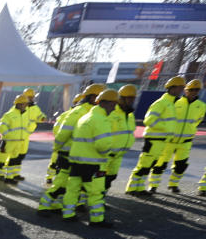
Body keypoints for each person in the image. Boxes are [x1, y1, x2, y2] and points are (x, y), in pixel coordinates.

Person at [63, 89, 118, 227]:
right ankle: (97, 219)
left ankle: (68, 214)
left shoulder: (85, 117)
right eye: (113, 104)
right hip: (93, 163)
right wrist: (108, 152)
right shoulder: (101, 120)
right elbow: (103, 145)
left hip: (77, 161)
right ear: (107, 103)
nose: (114, 108)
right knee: (95, 192)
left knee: (72, 189)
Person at [124, 76, 184, 196]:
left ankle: (139, 188)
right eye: (180, 87)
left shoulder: (170, 104)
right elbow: (149, 120)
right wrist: (166, 128)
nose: (182, 90)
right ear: (172, 88)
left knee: (149, 165)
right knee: (143, 165)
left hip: (161, 140)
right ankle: (131, 188)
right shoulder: (161, 103)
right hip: (153, 140)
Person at [156, 79, 203, 193]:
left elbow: (198, 121)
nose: (194, 92)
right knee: (160, 164)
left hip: (186, 141)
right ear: (185, 90)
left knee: (181, 166)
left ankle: (173, 184)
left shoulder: (201, 106)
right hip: (170, 140)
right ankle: (153, 185)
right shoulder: (175, 102)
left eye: (197, 90)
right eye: (191, 89)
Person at [104, 85, 137, 197]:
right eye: (129, 98)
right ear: (121, 99)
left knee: (111, 177)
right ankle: (86, 201)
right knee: (97, 179)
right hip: (106, 154)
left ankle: (100, 198)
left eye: (133, 98)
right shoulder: (112, 113)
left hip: (118, 155)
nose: (131, 101)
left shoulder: (130, 115)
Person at [0, 95, 29, 185]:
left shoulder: (25, 115)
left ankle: (9, 178)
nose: (26, 106)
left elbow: (25, 128)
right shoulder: (9, 115)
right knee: (1, 160)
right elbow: (1, 126)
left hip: (18, 142)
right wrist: (8, 135)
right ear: (19, 104)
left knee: (13, 161)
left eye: (26, 104)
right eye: (24, 104)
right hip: (8, 142)